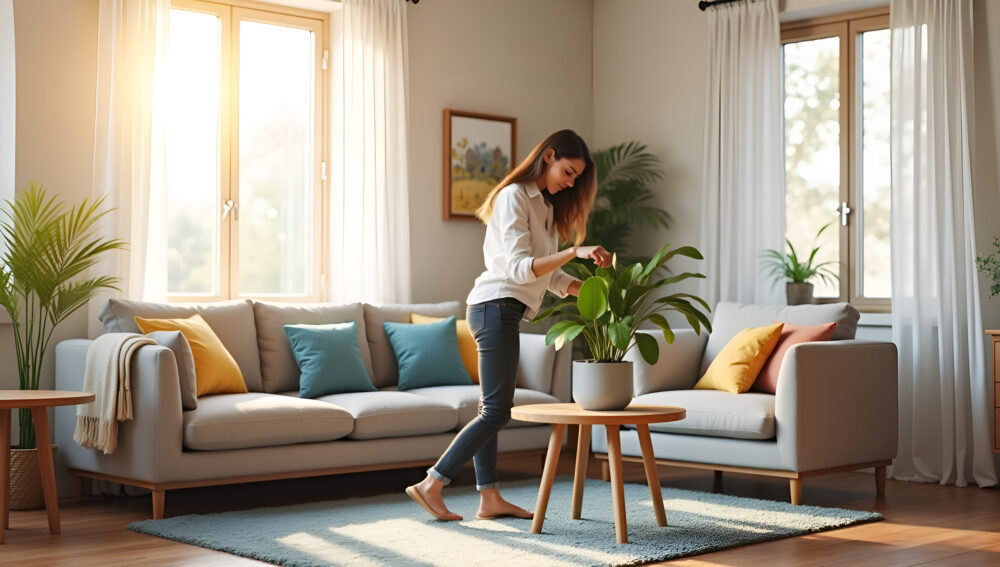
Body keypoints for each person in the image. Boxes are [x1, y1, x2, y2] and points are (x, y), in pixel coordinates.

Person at [406, 129, 613, 521]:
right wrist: (574, 251)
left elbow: (546, 276)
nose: (570, 183)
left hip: (505, 308)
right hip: (494, 306)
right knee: (498, 411)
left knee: (491, 407)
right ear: (548, 156)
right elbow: (518, 269)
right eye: (568, 172)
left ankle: (489, 497)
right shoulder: (513, 197)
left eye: (575, 178)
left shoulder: (546, 207)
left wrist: (584, 288)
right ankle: (431, 483)